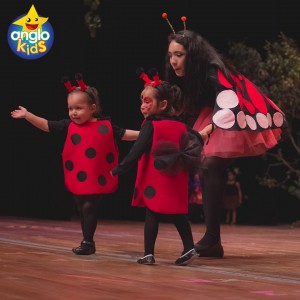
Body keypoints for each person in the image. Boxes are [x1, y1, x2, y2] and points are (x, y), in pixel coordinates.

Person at [162, 13, 285, 258]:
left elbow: (227, 102)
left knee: (210, 164)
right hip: (219, 112)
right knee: (209, 167)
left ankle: (212, 239)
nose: (173, 61)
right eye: (171, 55)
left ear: (193, 54)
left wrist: (208, 129)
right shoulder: (191, 75)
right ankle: (212, 240)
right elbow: (194, 104)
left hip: (238, 109)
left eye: (179, 55)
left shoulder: (212, 68)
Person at [11, 73, 139, 255]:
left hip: (97, 176)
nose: (73, 113)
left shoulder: (106, 125)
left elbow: (125, 133)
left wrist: (145, 134)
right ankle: (88, 241)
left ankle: (87, 242)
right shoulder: (68, 125)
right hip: (79, 176)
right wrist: (28, 115)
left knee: (89, 206)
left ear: (92, 108)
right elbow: (47, 125)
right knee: (83, 208)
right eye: (70, 108)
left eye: (78, 108)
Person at [111, 68, 203, 266]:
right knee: (178, 212)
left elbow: (138, 148)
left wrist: (121, 167)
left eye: (147, 101)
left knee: (152, 211)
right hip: (176, 176)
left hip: (156, 176)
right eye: (142, 100)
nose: (143, 106)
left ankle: (149, 254)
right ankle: (189, 247)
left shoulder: (151, 124)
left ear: (162, 105)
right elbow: (194, 137)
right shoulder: (180, 125)